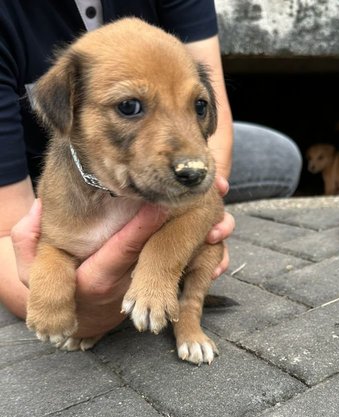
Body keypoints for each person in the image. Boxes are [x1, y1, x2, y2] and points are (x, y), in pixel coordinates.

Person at [0, 1, 302, 341]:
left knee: (279, 157)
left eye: (200, 106)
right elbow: (10, 235)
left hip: (145, 179)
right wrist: (88, 313)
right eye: (129, 107)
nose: (192, 162)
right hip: (57, 173)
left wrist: (172, 249)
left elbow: (211, 149)